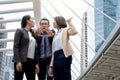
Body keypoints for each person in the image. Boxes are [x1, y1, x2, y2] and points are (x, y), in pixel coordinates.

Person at [12, 15, 39, 80]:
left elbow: (35, 50)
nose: (33, 21)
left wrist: (36, 63)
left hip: (31, 61)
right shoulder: (20, 31)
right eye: (32, 19)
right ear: (27, 20)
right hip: (21, 60)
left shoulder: (32, 34)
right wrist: (18, 61)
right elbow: (16, 46)